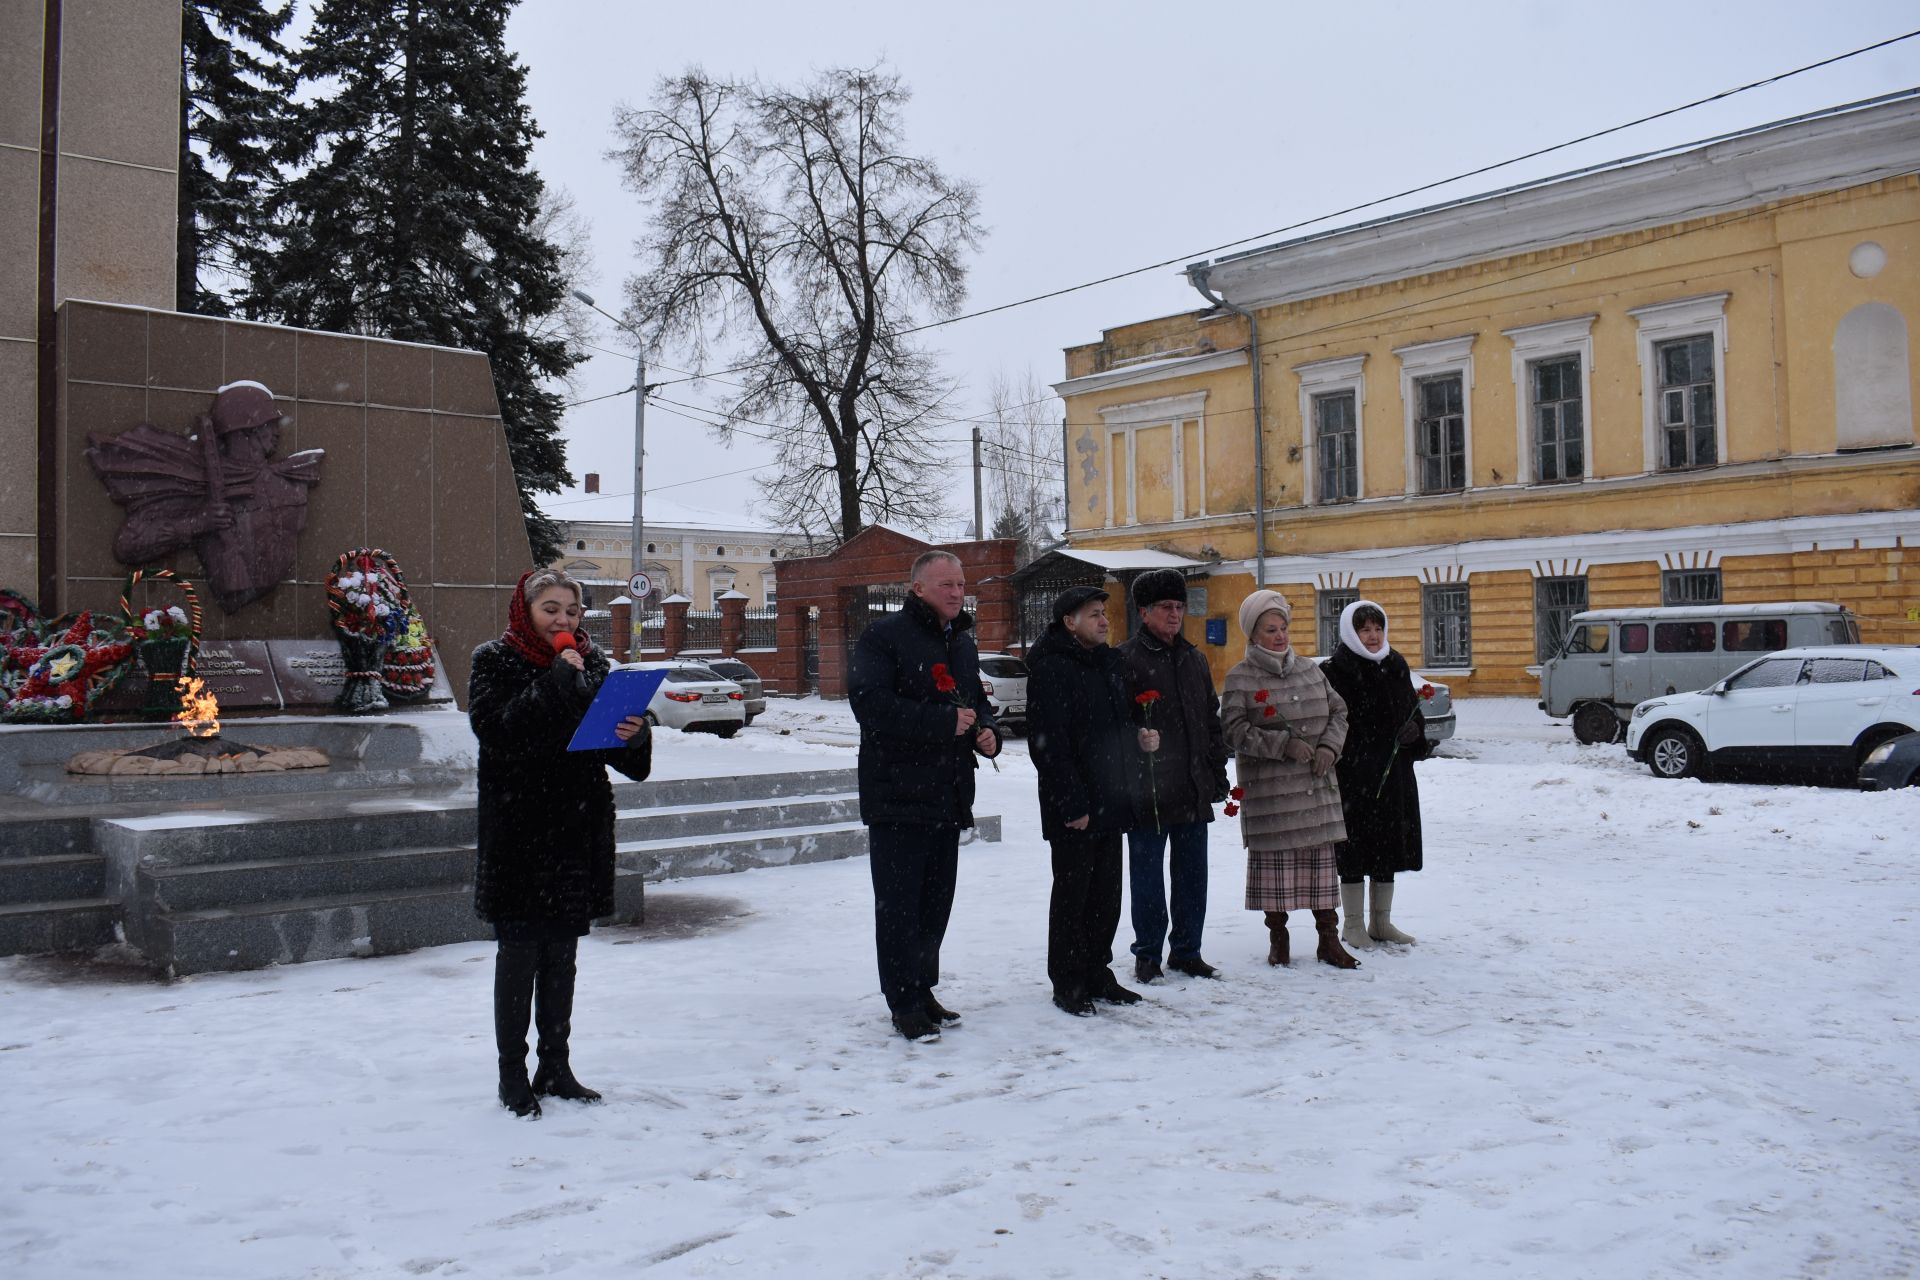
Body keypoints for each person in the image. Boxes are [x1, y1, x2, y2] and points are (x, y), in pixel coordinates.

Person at [468, 569, 651, 1118]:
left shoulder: (596, 664)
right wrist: (552, 680)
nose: (564, 621)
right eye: (551, 609)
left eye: (571, 611)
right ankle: (511, 1076)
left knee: (563, 958)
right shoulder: (494, 660)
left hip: (576, 827)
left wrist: (633, 733)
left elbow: (628, 762)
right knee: (520, 955)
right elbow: (496, 728)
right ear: (526, 611)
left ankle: (556, 1065)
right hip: (520, 828)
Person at [848, 551, 1002, 1043]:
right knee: (899, 905)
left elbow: (974, 701)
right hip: (897, 793)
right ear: (917, 588)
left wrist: (987, 730)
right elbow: (869, 704)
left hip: (947, 791)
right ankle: (902, 1000)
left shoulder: (961, 641)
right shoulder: (883, 637)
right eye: (945, 585)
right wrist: (939, 723)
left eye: (960, 584)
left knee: (935, 902)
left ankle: (923, 988)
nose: (957, 592)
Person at [1027, 586, 1158, 1016]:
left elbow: (1116, 723)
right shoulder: (1051, 668)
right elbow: (1049, 745)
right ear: (1069, 621)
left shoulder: (1109, 663)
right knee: (1073, 897)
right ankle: (1067, 980)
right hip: (1076, 807)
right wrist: (1072, 803)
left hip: (1111, 798)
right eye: (1094, 615)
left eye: (1104, 613)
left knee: (1106, 896)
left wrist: (1139, 735)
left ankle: (1098, 972)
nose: (1104, 621)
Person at [1219, 589, 1358, 970]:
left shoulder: (1311, 669)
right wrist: (1282, 745)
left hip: (1316, 788)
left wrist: (1330, 748)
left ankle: (1328, 939)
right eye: (1269, 629)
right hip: (1273, 796)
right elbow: (1233, 730)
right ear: (1252, 634)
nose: (1279, 636)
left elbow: (1338, 711)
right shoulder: (1240, 678)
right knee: (1276, 870)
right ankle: (1278, 938)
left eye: (1283, 628)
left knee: (1320, 867)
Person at [1117, 568, 1231, 982]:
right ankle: (1147, 953)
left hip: (1193, 785)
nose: (1175, 614)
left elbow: (1210, 721)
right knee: (1147, 877)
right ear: (1144, 611)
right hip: (1148, 788)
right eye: (1166, 607)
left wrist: (1217, 774)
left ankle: (1187, 950)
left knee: (1192, 877)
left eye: (1179, 607)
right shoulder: (1126, 659)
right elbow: (1114, 725)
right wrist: (1135, 738)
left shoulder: (1194, 658)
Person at [1321, 600, 1430, 951]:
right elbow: (1331, 722)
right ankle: (1352, 925)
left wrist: (1414, 731)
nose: (1372, 635)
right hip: (1353, 773)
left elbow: (1410, 710)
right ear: (1350, 632)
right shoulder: (1336, 670)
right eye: (1364, 628)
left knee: (1388, 845)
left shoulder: (1395, 664)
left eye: (1377, 628)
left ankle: (1381, 921)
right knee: (1354, 847)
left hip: (1393, 773)